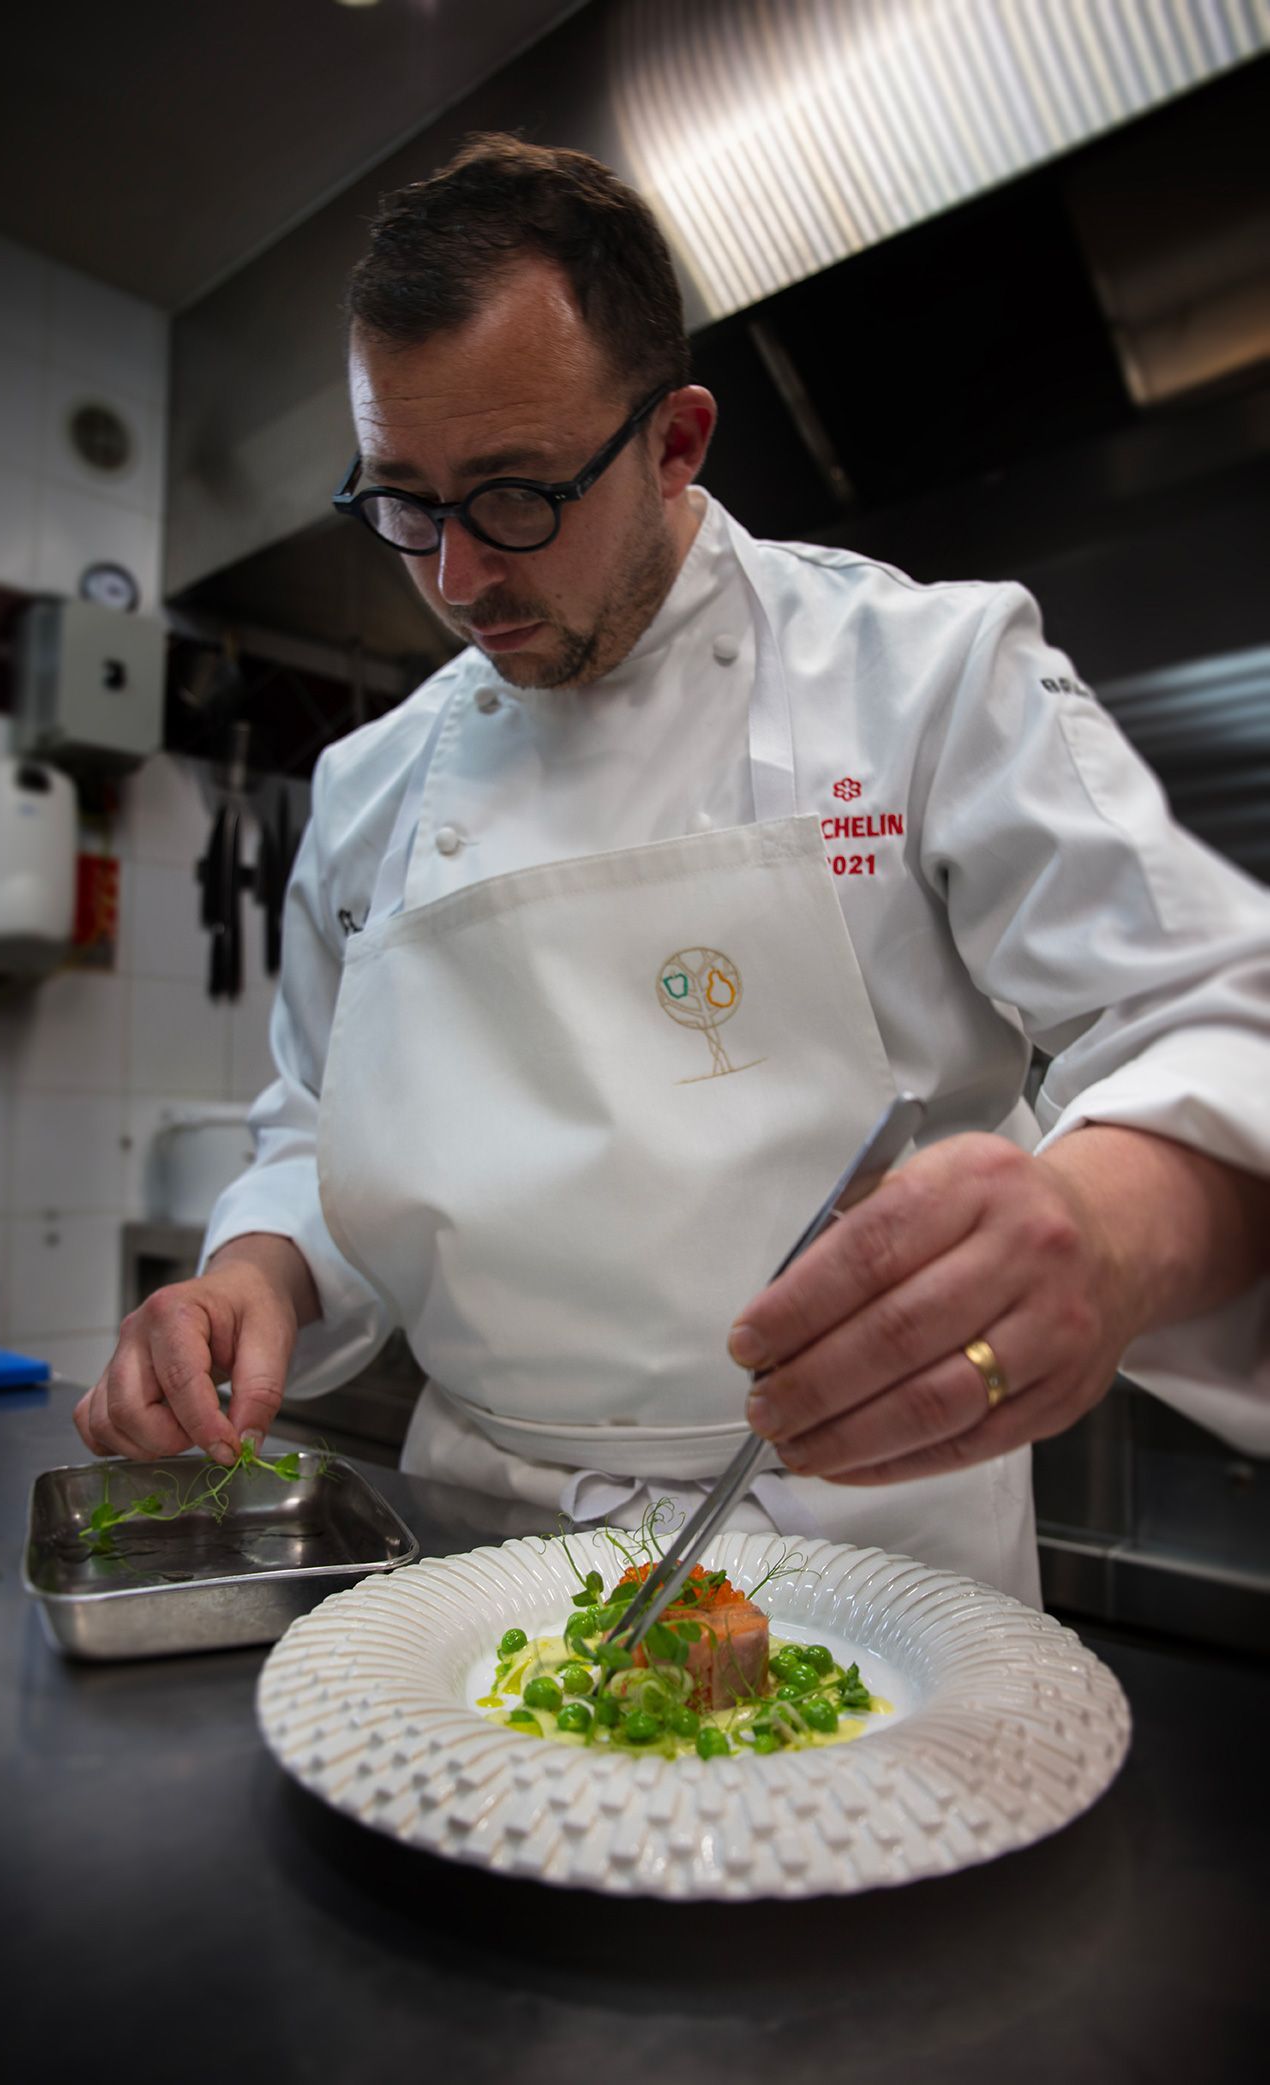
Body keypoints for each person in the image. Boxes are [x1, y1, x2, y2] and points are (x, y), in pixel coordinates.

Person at [76, 136, 1270, 1606]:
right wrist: (251, 1275)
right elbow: (317, 1131)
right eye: (402, 500)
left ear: (674, 441)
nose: (457, 577)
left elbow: (1214, 1017)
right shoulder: (370, 784)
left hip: (865, 1552)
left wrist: (1107, 1223)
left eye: (514, 494)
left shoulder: (921, 677)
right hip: (473, 1564)